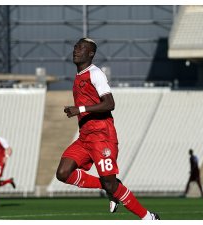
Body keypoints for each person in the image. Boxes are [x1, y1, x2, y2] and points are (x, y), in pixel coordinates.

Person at [56, 38, 160, 220]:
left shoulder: (95, 74)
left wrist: (79, 109)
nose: (76, 50)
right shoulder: (79, 76)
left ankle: (148, 217)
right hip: (85, 138)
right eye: (75, 47)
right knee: (63, 173)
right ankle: (109, 186)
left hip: (102, 137)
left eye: (81, 48)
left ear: (91, 53)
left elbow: (110, 104)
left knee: (111, 185)